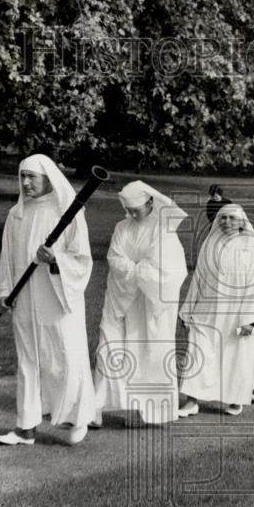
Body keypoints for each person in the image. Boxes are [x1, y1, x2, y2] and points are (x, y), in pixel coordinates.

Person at [0, 155, 95, 447]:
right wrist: (5, 293)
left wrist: (56, 260)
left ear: (48, 178)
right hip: (24, 299)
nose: (25, 183)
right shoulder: (16, 214)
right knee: (28, 361)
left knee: (63, 356)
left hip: (57, 298)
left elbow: (83, 260)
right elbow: (6, 259)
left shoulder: (68, 212)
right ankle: (25, 427)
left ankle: (78, 418)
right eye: (22, 176)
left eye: (32, 177)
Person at [93, 181, 189, 425]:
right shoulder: (121, 228)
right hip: (121, 296)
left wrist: (136, 270)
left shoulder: (163, 231)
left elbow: (166, 268)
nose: (133, 213)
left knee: (148, 352)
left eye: (137, 208)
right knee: (109, 346)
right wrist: (138, 269)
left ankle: (145, 411)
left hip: (151, 303)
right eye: (129, 209)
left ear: (150, 203)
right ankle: (97, 407)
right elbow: (115, 257)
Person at [179, 203, 254, 415]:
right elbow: (199, 280)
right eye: (223, 218)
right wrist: (188, 310)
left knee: (235, 356)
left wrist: (250, 320)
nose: (227, 222)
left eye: (232, 218)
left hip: (237, 315)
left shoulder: (252, 247)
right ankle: (192, 400)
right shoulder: (210, 244)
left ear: (242, 222)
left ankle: (234, 399)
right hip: (207, 311)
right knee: (198, 351)